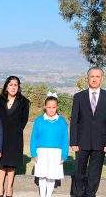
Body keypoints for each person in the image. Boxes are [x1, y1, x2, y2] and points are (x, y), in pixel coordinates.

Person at [70, 67, 106, 197]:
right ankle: (78, 194)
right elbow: (74, 121)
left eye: (97, 76)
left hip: (100, 143)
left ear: (102, 79)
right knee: (79, 172)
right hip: (81, 142)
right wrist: (73, 142)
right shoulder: (79, 97)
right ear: (87, 79)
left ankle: (90, 195)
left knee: (94, 174)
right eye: (92, 76)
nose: (95, 79)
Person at [0, 76, 30, 197]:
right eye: (11, 85)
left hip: (15, 136)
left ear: (18, 87)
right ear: (6, 86)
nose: (13, 87)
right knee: (2, 163)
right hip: (1, 135)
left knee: (11, 163)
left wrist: (16, 130)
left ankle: (9, 188)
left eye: (15, 85)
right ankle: (0, 188)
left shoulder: (24, 101)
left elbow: (24, 120)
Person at [30, 94, 68, 197]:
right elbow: (33, 137)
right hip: (41, 152)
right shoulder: (39, 120)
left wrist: (64, 155)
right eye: (49, 107)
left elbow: (65, 139)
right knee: (42, 176)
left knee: (52, 176)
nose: (51, 109)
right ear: (45, 106)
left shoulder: (62, 121)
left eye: (54, 107)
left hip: (56, 153)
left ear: (57, 107)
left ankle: (48, 195)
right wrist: (34, 153)